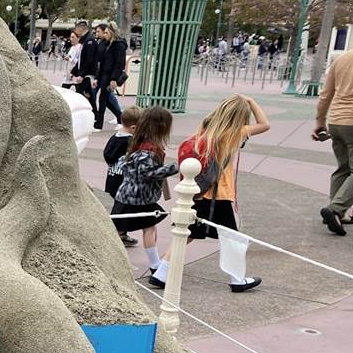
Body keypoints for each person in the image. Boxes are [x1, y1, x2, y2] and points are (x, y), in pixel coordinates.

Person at [151, 94, 269, 293]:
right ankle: (237, 279)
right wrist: (250, 102)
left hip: (198, 191)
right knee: (231, 238)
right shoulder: (231, 134)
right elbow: (265, 124)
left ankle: (162, 272)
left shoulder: (205, 130)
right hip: (218, 195)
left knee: (188, 232)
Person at [111, 107, 178, 274]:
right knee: (141, 229)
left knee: (143, 228)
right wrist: (173, 168)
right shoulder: (148, 148)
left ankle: (154, 264)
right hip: (137, 197)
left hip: (131, 195)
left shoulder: (139, 141)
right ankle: (152, 264)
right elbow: (147, 173)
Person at [314, 47, 353, 236]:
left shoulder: (342, 58)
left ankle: (335, 213)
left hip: (336, 121)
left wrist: (320, 121)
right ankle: (336, 209)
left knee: (344, 168)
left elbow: (325, 94)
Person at [103, 105, 143, 246]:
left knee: (119, 206)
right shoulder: (130, 141)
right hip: (123, 179)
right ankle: (118, 233)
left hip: (113, 176)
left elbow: (107, 155)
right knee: (123, 207)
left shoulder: (115, 137)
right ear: (133, 128)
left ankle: (121, 232)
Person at [93, 22, 127, 131]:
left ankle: (99, 124)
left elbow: (119, 64)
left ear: (112, 33)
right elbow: (101, 62)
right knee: (106, 100)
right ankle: (120, 119)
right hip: (104, 75)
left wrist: (113, 79)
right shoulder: (106, 44)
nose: (105, 35)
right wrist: (97, 77)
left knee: (103, 99)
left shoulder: (119, 45)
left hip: (110, 76)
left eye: (107, 33)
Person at [70, 20, 100, 103]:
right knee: (89, 96)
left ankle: (91, 110)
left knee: (79, 93)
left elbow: (89, 60)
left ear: (80, 29)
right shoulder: (85, 40)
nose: (76, 33)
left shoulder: (90, 41)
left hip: (88, 74)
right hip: (86, 73)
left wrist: (82, 75)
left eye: (76, 30)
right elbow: (81, 60)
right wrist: (74, 72)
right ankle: (94, 110)